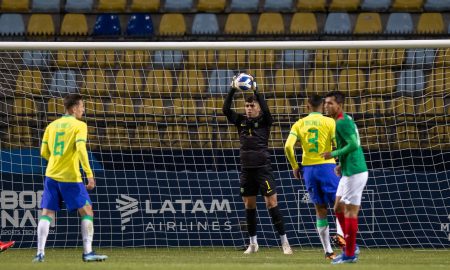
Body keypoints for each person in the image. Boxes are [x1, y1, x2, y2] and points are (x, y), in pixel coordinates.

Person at [33, 94, 107, 263]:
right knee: (87, 211)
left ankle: (40, 253)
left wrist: (57, 160)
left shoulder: (51, 126)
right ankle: (88, 252)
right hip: (70, 177)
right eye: (81, 106)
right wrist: (89, 173)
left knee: (47, 213)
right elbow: (81, 149)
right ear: (73, 108)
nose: (83, 109)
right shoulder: (79, 125)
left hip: (51, 175)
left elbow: (43, 152)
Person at [223, 76, 292, 255]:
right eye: (247, 106)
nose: (248, 109)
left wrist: (256, 90)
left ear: (258, 107)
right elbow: (225, 110)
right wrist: (232, 89)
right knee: (249, 205)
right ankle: (253, 243)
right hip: (246, 169)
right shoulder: (240, 121)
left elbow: (267, 111)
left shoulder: (265, 121)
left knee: (271, 203)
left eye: (252, 106)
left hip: (263, 169)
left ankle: (284, 242)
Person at [284, 94, 345, 260]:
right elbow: (339, 144)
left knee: (320, 209)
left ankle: (328, 252)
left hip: (309, 170)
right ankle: (342, 237)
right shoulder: (330, 122)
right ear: (322, 107)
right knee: (339, 205)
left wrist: (295, 166)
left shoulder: (299, 123)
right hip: (328, 167)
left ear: (307, 106)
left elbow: (288, 146)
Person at [321, 91, 368, 264]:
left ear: (339, 105)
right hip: (349, 169)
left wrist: (333, 154)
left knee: (350, 211)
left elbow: (354, 144)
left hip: (355, 172)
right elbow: (355, 142)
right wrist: (341, 163)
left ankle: (350, 253)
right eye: (326, 103)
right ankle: (350, 247)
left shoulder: (341, 122)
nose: (327, 106)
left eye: (330, 103)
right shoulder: (344, 120)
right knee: (338, 207)